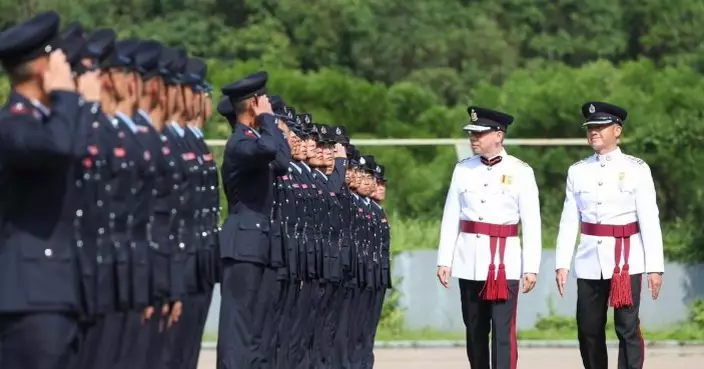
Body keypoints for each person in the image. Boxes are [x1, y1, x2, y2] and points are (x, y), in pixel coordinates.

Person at [0, 11, 84, 369]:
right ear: (41, 68)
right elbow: (59, 147)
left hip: (53, 290)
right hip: (29, 297)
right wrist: (66, 96)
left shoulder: (42, 123)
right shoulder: (15, 124)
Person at [554, 101, 665, 369]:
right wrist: (562, 263)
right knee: (588, 328)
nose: (594, 132)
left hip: (626, 259)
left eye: (601, 127)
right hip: (589, 260)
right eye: (591, 127)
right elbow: (570, 220)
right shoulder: (577, 171)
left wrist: (655, 268)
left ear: (617, 131)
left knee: (627, 327)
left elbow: (649, 220)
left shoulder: (637, 169)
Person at [435, 106, 542, 369]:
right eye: (472, 133)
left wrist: (531, 267)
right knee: (475, 330)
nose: (474, 138)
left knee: (503, 333)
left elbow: (532, 223)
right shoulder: (463, 169)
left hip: (504, 263)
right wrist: (444, 260)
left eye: (480, 133)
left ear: (499, 135)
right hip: (469, 261)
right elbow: (451, 217)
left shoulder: (520, 171)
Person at [217, 71, 291, 369]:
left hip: (259, 243)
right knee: (239, 328)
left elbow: (282, 162)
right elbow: (272, 149)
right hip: (243, 243)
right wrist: (269, 121)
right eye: (264, 102)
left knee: (258, 329)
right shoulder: (240, 142)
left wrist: (268, 124)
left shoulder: (256, 141)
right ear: (253, 105)